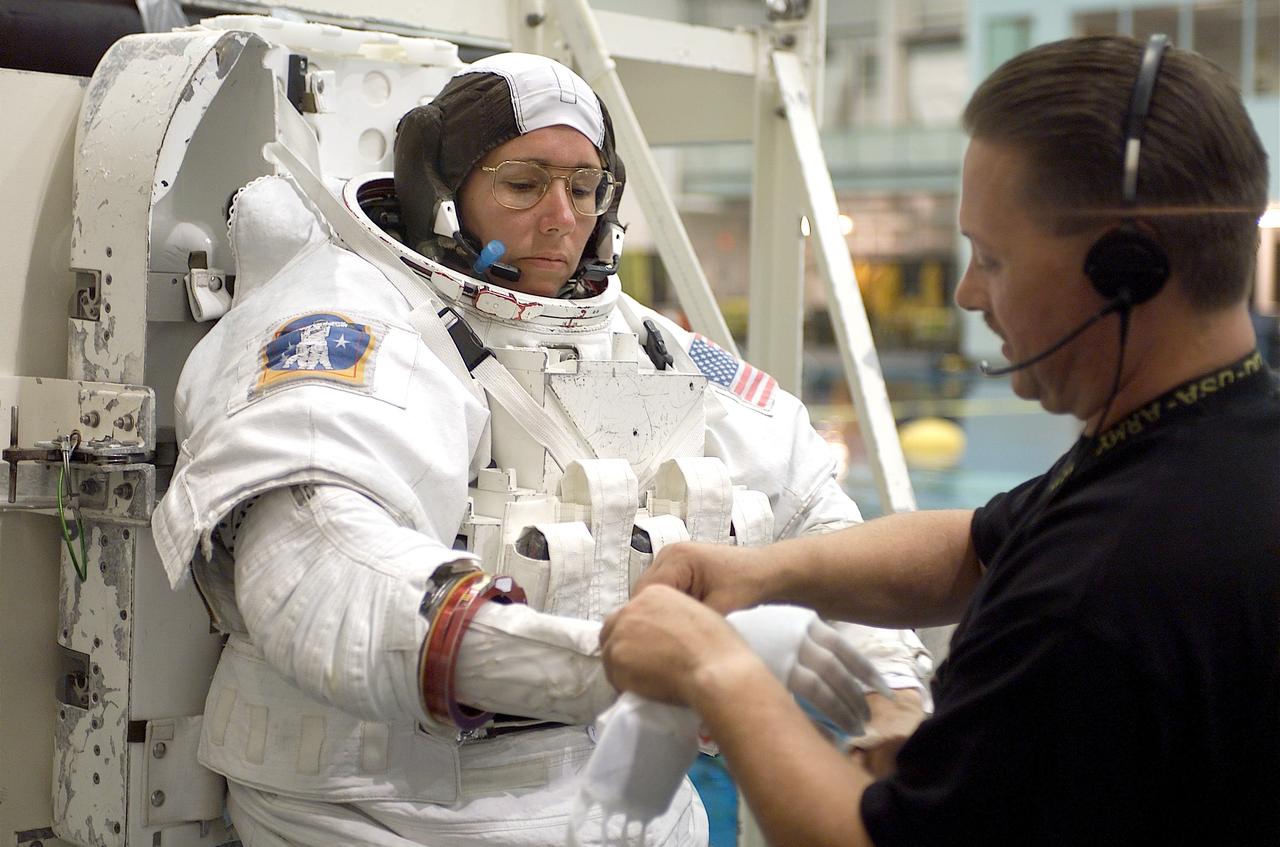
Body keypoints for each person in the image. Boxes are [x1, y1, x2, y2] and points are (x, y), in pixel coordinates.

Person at [151, 52, 930, 845]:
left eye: (584, 188)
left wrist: (894, 692)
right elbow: (319, 575)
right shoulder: (349, 316)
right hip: (374, 809)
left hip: (616, 801)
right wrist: (621, 665)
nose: (562, 217)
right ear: (440, 192)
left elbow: (813, 512)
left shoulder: (643, 341)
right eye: (524, 185)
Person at [600, 34, 1279, 846]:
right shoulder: (1206, 440)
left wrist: (717, 671)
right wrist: (763, 571)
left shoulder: (1096, 590)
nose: (966, 293)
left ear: (1123, 269)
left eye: (992, 258)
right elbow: (981, 543)